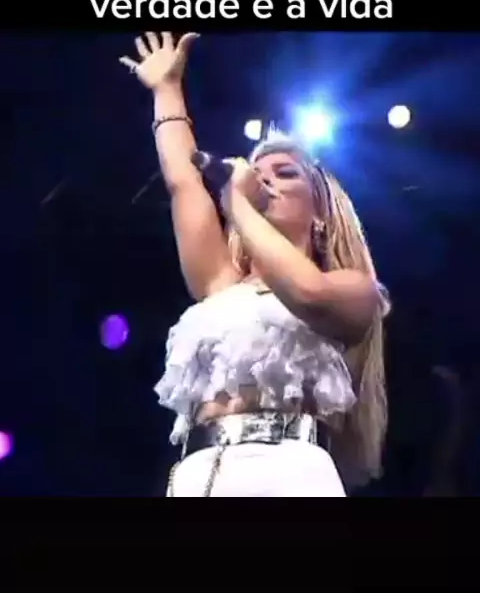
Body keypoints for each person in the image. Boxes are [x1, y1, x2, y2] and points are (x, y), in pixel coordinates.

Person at [120, 31, 391, 497]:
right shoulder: (221, 282)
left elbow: (308, 293)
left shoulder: (352, 287)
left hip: (288, 470)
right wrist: (167, 89)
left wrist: (237, 202)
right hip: (203, 471)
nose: (265, 181)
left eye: (285, 174)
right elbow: (184, 181)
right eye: (258, 172)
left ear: (321, 212)